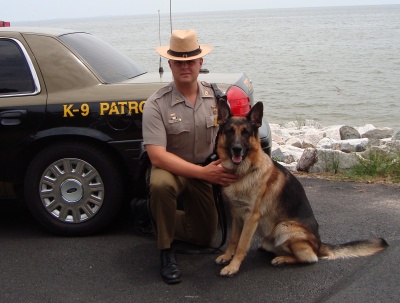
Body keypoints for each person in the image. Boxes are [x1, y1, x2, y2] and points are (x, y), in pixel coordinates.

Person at [132, 29, 237, 284]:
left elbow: (231, 137)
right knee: (160, 184)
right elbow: (157, 157)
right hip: (172, 169)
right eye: (179, 61)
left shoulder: (217, 97)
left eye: (190, 60)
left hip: (205, 167)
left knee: (204, 237)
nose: (185, 66)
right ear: (170, 64)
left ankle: (151, 214)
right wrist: (204, 174)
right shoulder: (156, 104)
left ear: (201, 62)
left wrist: (223, 169)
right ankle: (165, 250)